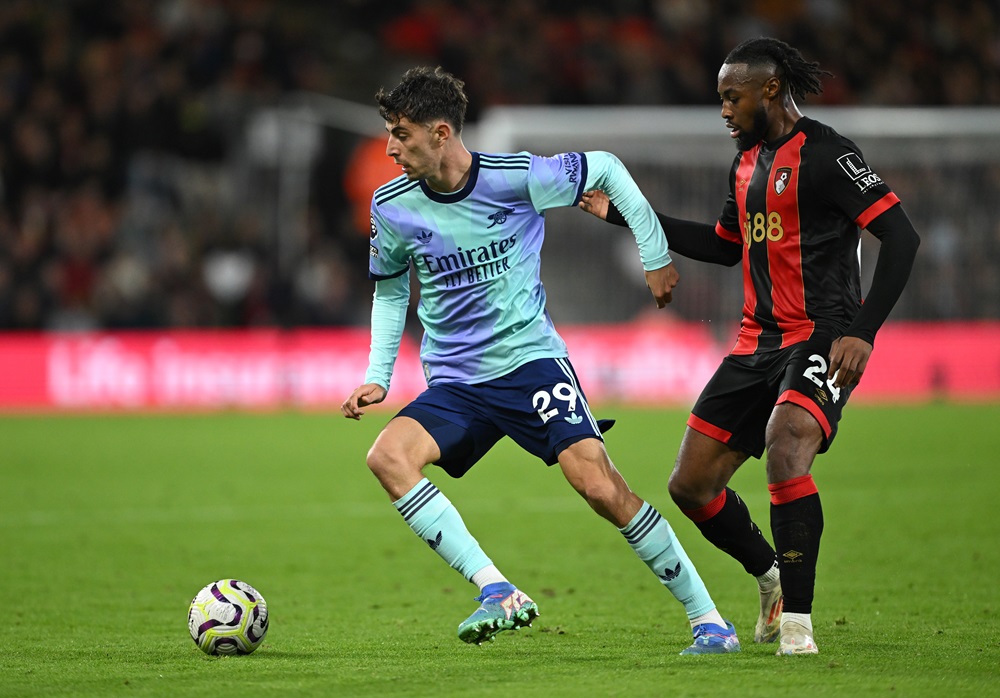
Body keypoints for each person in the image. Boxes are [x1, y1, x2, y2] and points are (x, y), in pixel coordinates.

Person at [341, 66, 740, 655]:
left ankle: (710, 621)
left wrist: (654, 253)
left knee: (599, 487)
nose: (390, 147)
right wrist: (377, 377)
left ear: (442, 132)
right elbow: (392, 288)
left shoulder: (514, 178)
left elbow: (604, 167)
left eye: (401, 134)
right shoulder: (392, 206)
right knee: (388, 457)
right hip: (456, 381)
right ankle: (497, 591)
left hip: (530, 364)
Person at [579, 37, 920, 655]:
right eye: (720, 99)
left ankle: (799, 630)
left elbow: (901, 237)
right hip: (754, 342)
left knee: (786, 445)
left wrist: (862, 331)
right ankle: (770, 580)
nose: (724, 111)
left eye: (731, 97)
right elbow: (721, 244)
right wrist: (625, 216)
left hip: (823, 334)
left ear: (769, 89)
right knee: (690, 485)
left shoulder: (828, 155)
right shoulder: (744, 166)